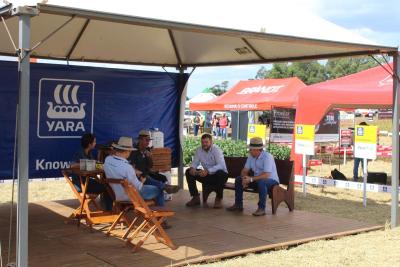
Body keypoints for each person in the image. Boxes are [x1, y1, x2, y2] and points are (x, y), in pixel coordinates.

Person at [104, 137, 179, 206]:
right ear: (127, 151)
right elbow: (138, 187)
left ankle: (158, 212)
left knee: (152, 180)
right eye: (130, 151)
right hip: (131, 195)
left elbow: (119, 169)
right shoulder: (127, 167)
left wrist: (135, 171)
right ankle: (158, 215)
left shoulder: (107, 160)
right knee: (159, 189)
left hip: (117, 194)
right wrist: (142, 181)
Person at [227, 137, 280, 216]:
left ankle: (261, 208)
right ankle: (238, 204)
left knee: (262, 182)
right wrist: (244, 179)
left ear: (257, 150)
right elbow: (244, 170)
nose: (249, 151)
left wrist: (251, 179)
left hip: (271, 181)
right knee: (238, 179)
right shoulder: (251, 156)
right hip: (257, 180)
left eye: (251, 149)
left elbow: (266, 175)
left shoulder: (267, 157)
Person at [71, 133, 113, 211]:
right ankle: (109, 211)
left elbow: (95, 166)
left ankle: (109, 210)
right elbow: (72, 165)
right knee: (107, 187)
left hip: (88, 181)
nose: (95, 144)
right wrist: (91, 165)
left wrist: (100, 165)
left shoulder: (89, 153)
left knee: (108, 185)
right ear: (89, 144)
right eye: (94, 142)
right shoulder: (79, 153)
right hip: (80, 184)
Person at [185, 133, 228, 208]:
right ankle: (195, 197)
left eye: (206, 142)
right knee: (188, 172)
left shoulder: (216, 150)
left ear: (211, 142)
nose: (204, 144)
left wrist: (208, 171)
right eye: (202, 142)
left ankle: (218, 198)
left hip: (219, 175)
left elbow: (221, 165)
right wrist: (192, 168)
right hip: (207, 175)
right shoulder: (199, 150)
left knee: (220, 173)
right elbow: (195, 162)